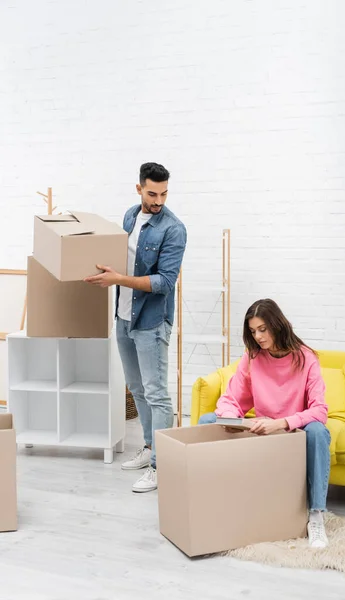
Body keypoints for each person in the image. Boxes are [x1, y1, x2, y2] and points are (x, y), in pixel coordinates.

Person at [85, 162, 187, 493]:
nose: (158, 200)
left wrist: (119, 279)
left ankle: (161, 464)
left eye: (164, 193)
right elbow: (122, 257)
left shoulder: (173, 229)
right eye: (152, 193)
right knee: (137, 388)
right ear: (139, 188)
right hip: (124, 316)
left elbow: (165, 282)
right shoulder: (130, 216)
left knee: (157, 393)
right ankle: (148, 447)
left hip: (152, 321)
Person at [198, 298, 331, 548]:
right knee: (208, 420)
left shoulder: (307, 358)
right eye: (252, 331)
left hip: (293, 430)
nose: (258, 336)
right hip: (261, 428)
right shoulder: (253, 357)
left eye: (262, 329)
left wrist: (282, 422)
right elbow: (231, 398)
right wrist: (231, 419)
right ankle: (213, 499)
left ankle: (315, 516)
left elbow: (319, 410)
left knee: (318, 431)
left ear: (277, 324)